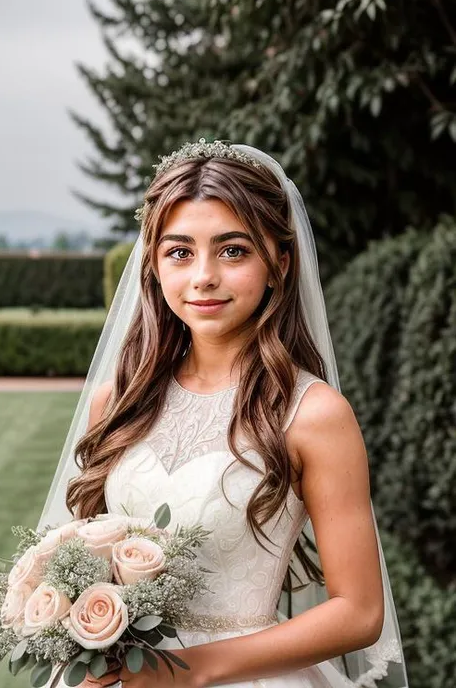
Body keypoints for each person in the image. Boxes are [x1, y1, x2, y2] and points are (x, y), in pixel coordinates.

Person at [39, 140, 408, 688]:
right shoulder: (117, 401)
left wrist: (191, 671)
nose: (203, 276)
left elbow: (358, 612)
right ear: (153, 264)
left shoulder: (312, 415)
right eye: (180, 252)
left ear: (279, 263)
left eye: (233, 251)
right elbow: (78, 560)